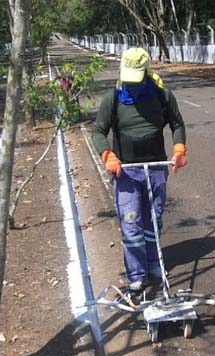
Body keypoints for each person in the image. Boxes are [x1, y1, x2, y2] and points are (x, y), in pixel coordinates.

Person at [92, 47, 188, 292]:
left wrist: (179, 149)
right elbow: (99, 132)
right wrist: (108, 155)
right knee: (131, 220)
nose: (131, 86)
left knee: (153, 220)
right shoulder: (112, 99)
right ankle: (137, 273)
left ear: (146, 73)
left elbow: (177, 123)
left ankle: (155, 265)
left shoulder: (162, 96)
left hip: (156, 168)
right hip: (126, 171)